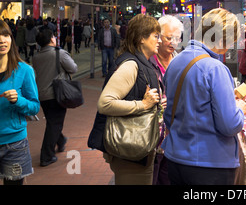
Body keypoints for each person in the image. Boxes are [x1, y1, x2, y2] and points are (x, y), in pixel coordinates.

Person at [162, 8, 246, 185]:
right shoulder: (215, 68)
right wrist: (239, 108)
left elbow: (170, 113)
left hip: (175, 157)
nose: (232, 45)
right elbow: (230, 124)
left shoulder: (175, 61)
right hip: (209, 164)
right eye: (232, 40)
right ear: (224, 38)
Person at [89, 14, 162, 185]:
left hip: (136, 148)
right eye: (156, 36)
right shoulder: (131, 65)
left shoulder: (141, 62)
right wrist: (143, 104)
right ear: (141, 38)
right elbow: (105, 103)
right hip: (130, 149)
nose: (159, 41)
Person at [0, 20, 40, 185]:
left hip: (14, 145)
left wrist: (18, 100)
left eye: (5, 35)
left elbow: (34, 107)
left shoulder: (24, 70)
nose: (2, 40)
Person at [32, 29, 78, 167]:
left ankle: (61, 140)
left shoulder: (36, 56)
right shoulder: (59, 53)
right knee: (54, 123)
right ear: (52, 39)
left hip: (42, 95)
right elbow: (73, 68)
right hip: (57, 94)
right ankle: (46, 156)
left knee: (53, 121)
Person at [149, 15, 183, 185]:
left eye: (177, 38)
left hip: (175, 131)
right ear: (158, 37)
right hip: (153, 133)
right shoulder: (148, 62)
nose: (173, 42)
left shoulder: (180, 60)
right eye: (169, 38)